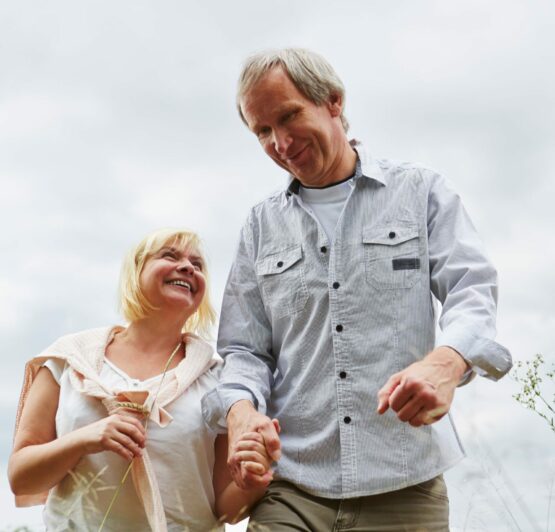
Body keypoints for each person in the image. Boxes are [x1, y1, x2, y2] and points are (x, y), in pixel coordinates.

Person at [202, 48, 513, 531]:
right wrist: (240, 412)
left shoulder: (421, 192)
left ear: (333, 101)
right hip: (292, 487)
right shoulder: (260, 226)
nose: (280, 143)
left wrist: (446, 362)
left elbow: (472, 291)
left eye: (288, 116)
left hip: (406, 486)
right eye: (262, 131)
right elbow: (243, 349)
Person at [9, 228, 272, 532]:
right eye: (169, 256)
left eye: (197, 265)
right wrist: (85, 439)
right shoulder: (67, 361)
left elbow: (223, 509)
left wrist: (251, 483)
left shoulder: (218, 380)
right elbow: (21, 477)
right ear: (135, 272)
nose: (188, 267)